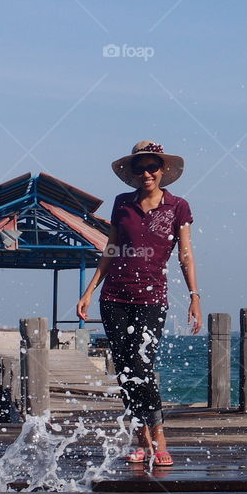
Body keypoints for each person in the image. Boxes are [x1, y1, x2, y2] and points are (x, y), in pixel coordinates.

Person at [76, 140, 202, 467]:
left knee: (142, 366)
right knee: (126, 371)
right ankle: (141, 438)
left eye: (152, 167)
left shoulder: (178, 206)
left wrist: (194, 296)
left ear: (163, 170)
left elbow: (185, 254)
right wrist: (89, 291)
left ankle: (158, 436)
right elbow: (111, 249)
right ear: (132, 173)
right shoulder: (122, 204)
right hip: (114, 298)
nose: (146, 173)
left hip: (152, 299)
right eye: (140, 168)